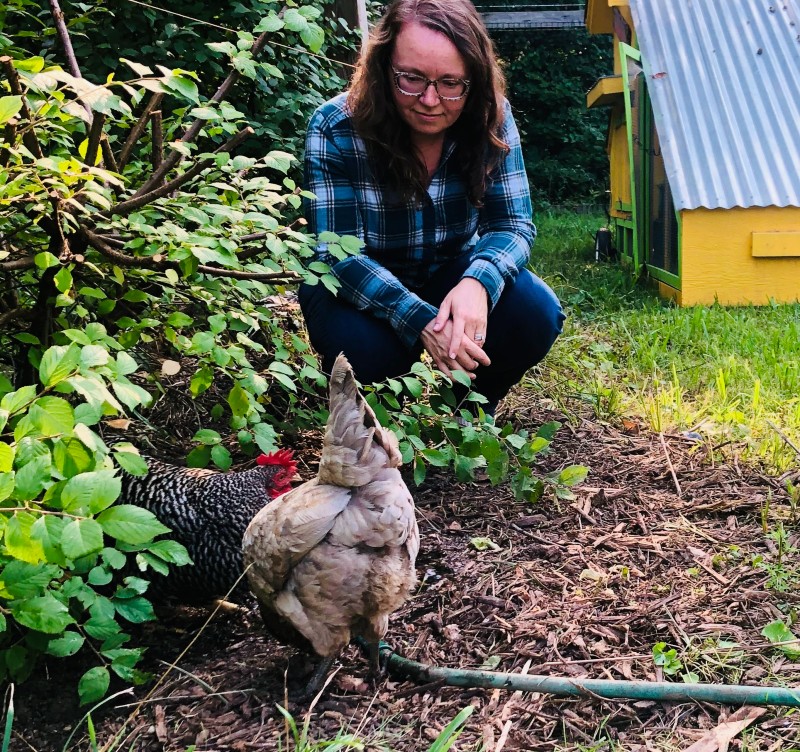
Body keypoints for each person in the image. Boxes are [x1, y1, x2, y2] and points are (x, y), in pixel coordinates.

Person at [299, 0, 564, 415]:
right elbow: (338, 253)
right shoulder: (334, 128)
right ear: (384, 67)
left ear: (474, 79)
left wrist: (478, 283)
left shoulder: (493, 116)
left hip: (451, 269)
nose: (429, 99)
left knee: (535, 313)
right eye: (411, 79)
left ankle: (469, 409)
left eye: (450, 83)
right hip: (359, 281)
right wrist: (421, 321)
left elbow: (512, 223)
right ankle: (389, 419)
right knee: (362, 349)